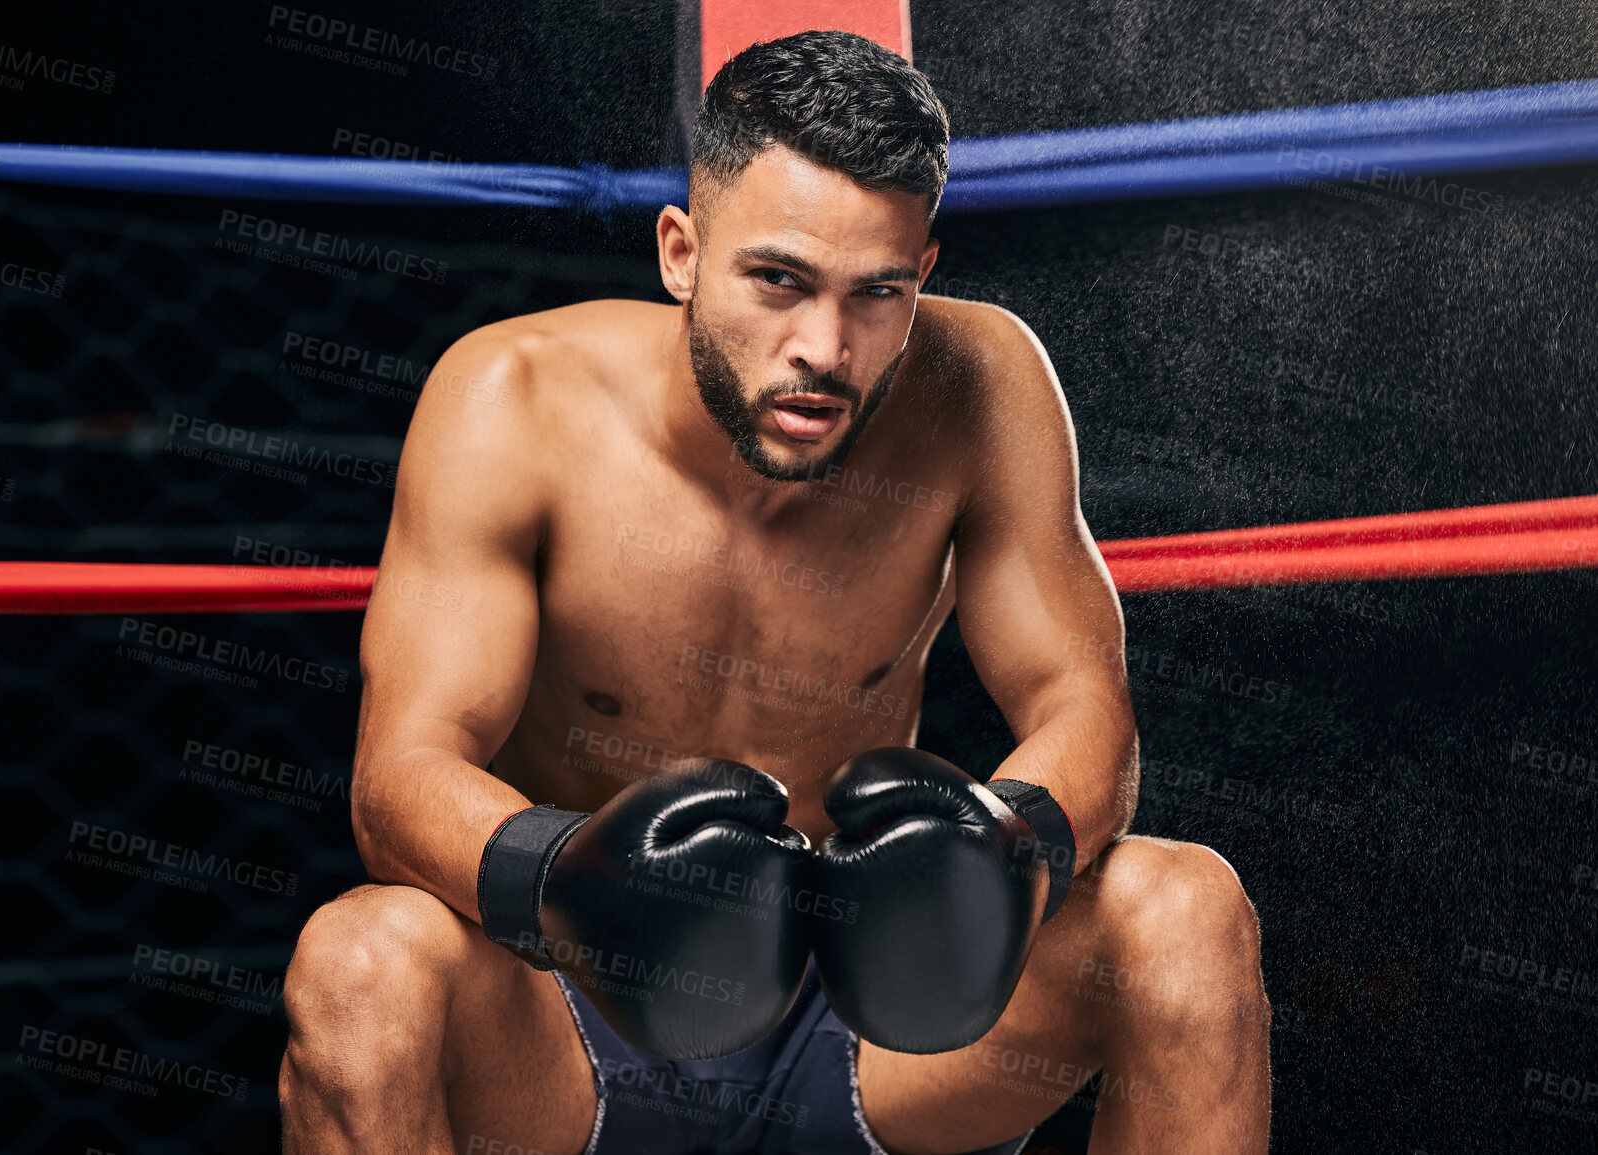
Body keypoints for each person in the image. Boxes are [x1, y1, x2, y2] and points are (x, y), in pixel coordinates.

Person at [280, 29, 1270, 1155]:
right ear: (681, 253)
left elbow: (1085, 709)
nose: (826, 348)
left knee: (1185, 912)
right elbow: (397, 779)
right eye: (779, 281)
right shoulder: (511, 404)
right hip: (574, 1019)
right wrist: (575, 879)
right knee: (360, 964)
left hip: (869, 1025)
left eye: (875, 293)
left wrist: (1010, 847)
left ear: (923, 279)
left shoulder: (983, 383)